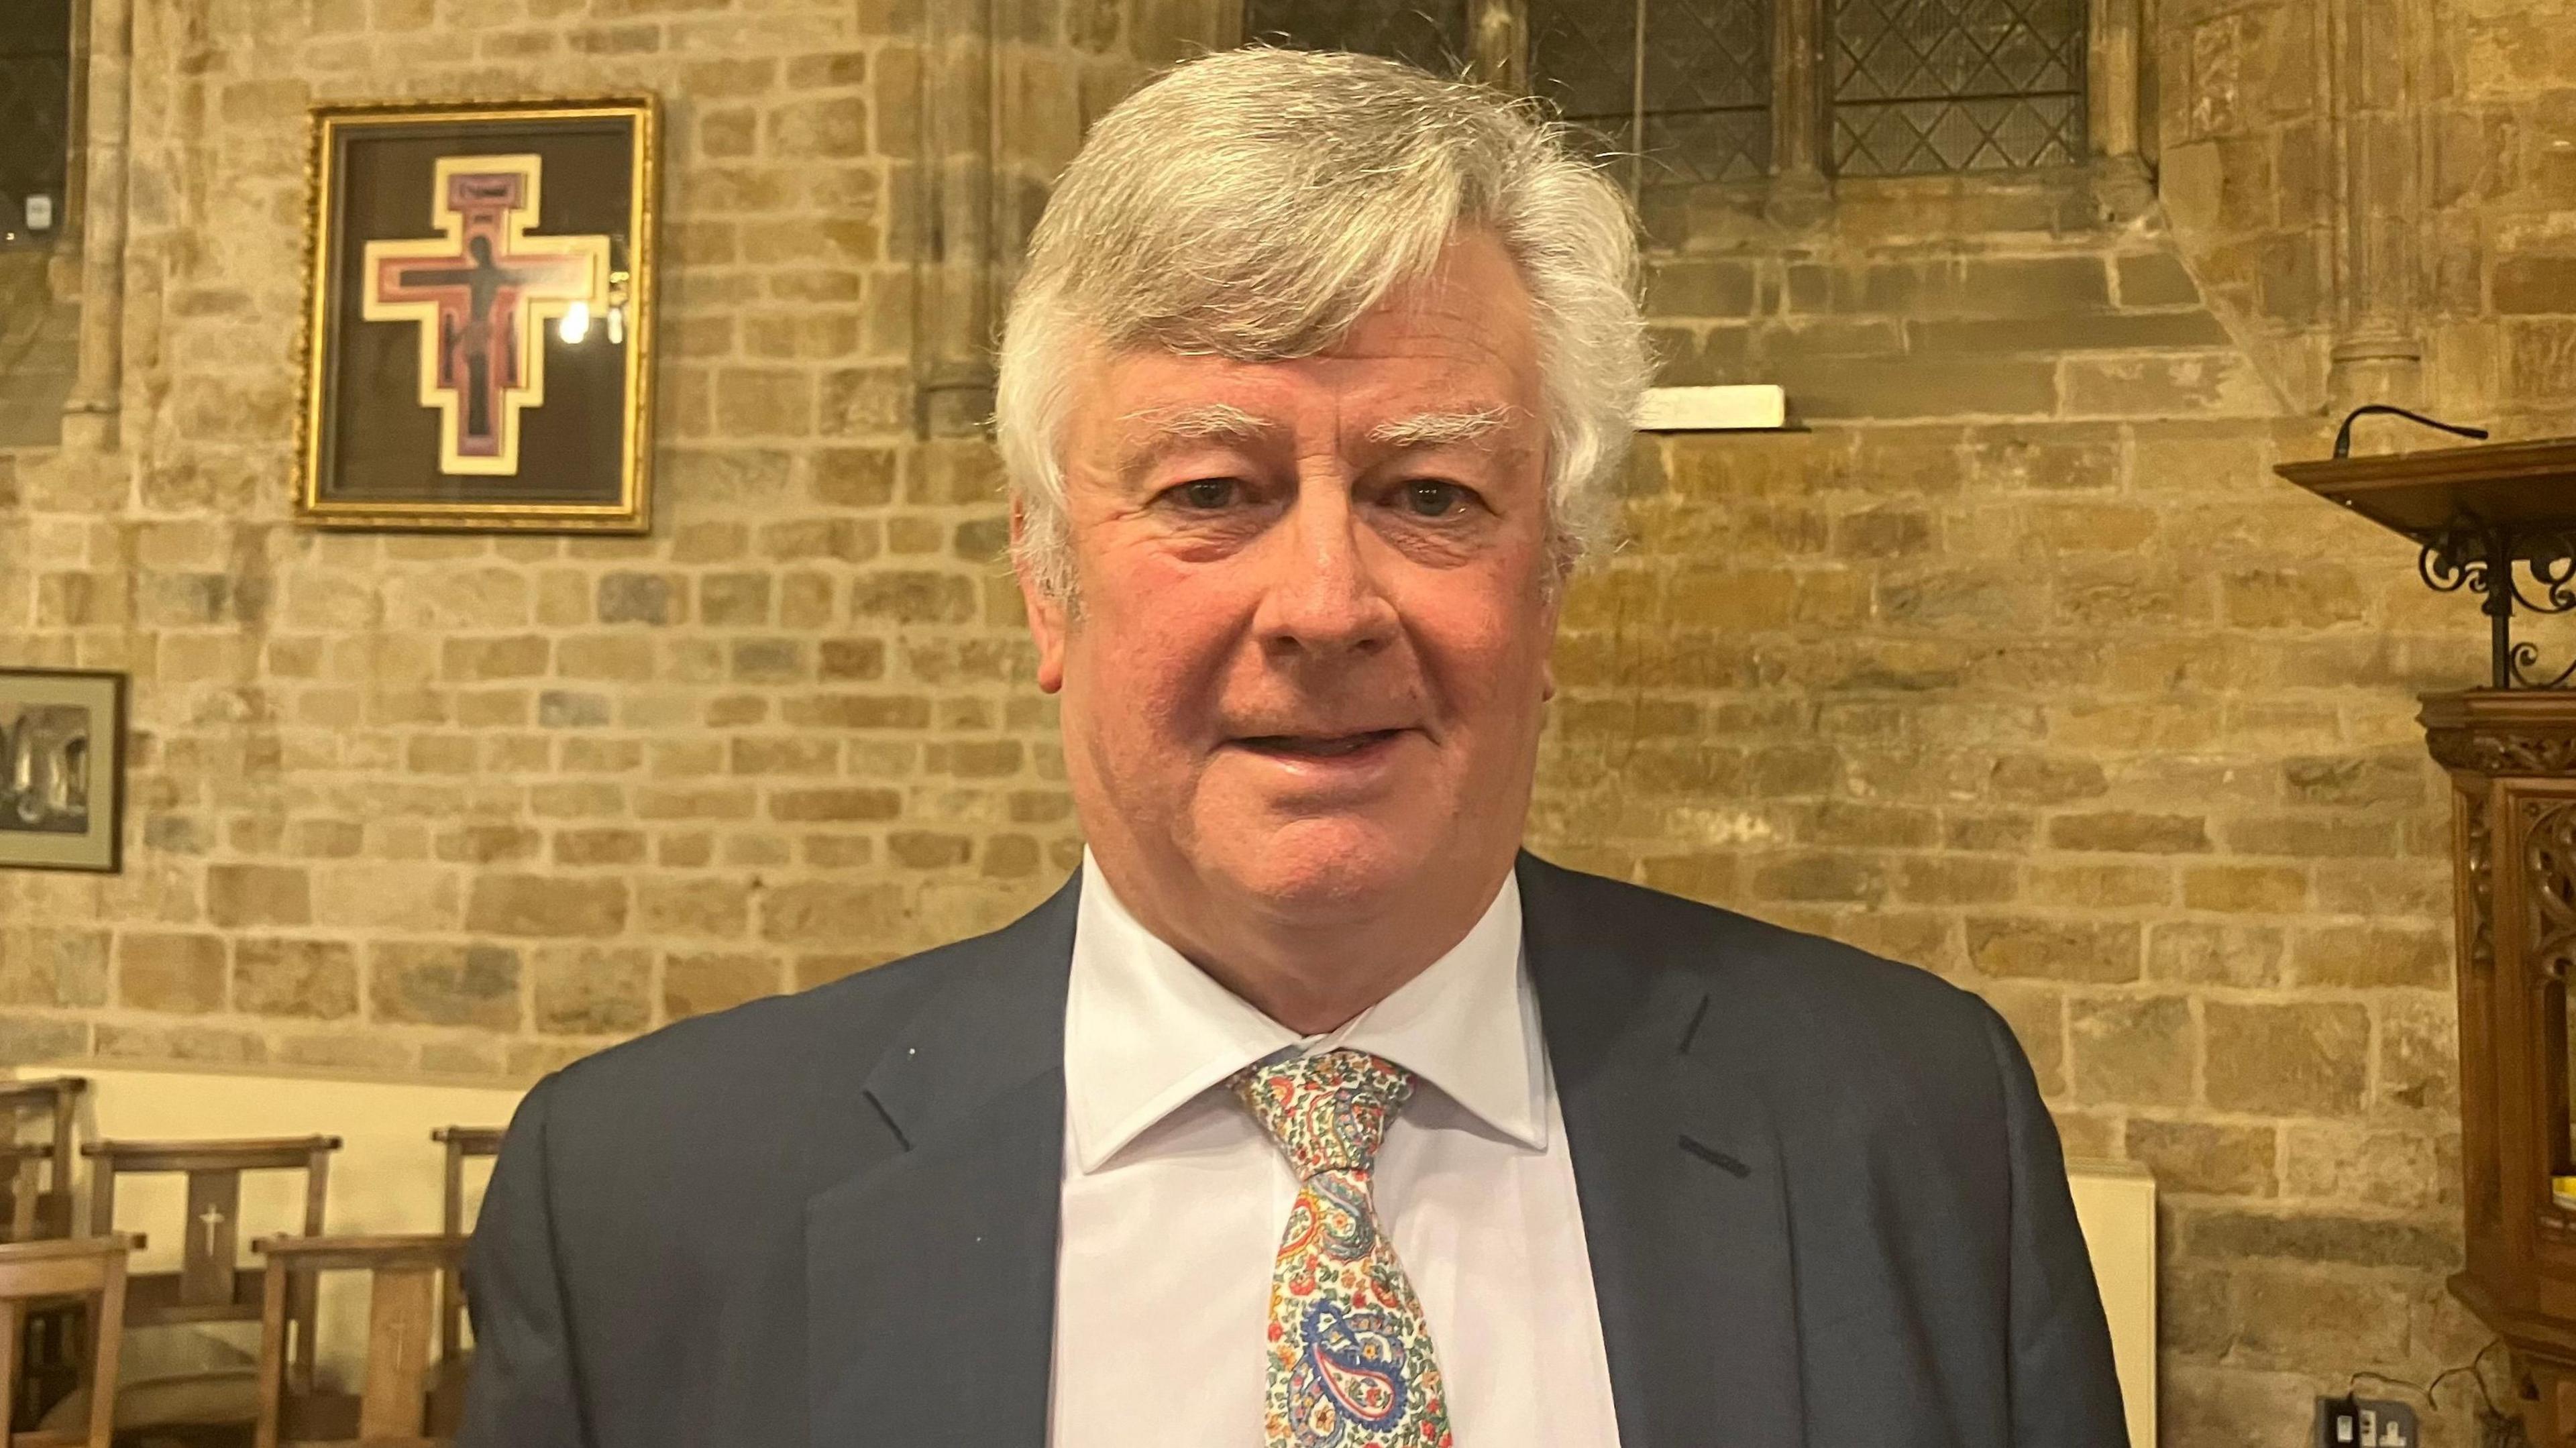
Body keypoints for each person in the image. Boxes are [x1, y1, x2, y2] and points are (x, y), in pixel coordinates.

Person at [456, 46, 2127, 1448]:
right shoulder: (650, 1208)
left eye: (1430, 494)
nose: (1326, 605)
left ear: (1549, 589)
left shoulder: (1908, 1131)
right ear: (1049, 584)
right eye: (1210, 492)